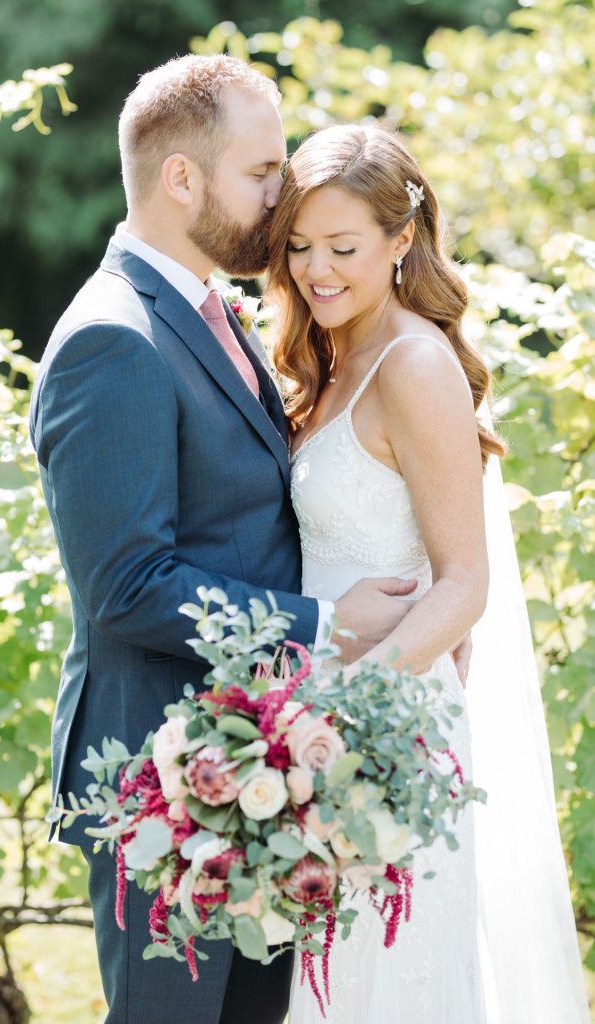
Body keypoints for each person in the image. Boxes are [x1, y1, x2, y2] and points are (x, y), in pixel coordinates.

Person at [28, 57, 422, 1024]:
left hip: (253, 766)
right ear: (182, 180)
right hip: (160, 774)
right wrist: (323, 624)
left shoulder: (210, 310)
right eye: (263, 172)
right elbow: (129, 585)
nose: (281, 197)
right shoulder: (112, 339)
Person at [267, 124, 589, 1022]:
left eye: (342, 248)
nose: (315, 271)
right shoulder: (331, 358)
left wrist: (343, 706)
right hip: (314, 714)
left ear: (402, 240)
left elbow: (463, 584)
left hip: (383, 721)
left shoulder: (413, 364)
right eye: (298, 247)